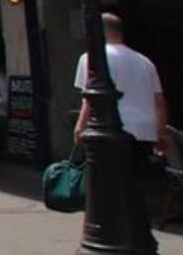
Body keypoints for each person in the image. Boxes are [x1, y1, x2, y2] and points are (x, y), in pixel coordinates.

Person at [70, 13, 169, 169]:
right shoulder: (145, 62)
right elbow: (159, 102)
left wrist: (80, 128)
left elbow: (89, 99)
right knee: (138, 179)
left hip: (111, 132)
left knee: (108, 182)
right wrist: (161, 133)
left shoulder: (91, 58)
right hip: (144, 132)